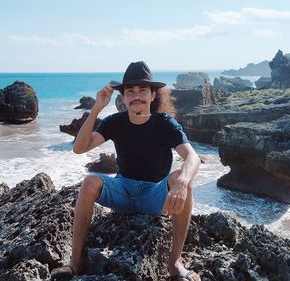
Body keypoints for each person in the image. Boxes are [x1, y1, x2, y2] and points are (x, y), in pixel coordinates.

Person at [51, 61, 201, 281]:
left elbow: (193, 157)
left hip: (154, 196)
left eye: (142, 90)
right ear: (123, 97)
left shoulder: (164, 123)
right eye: (130, 91)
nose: (136, 95)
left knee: (183, 179)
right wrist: (97, 108)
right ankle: (75, 262)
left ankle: (175, 263)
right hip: (122, 191)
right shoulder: (115, 122)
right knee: (90, 182)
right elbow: (79, 148)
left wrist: (181, 182)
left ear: (152, 95)